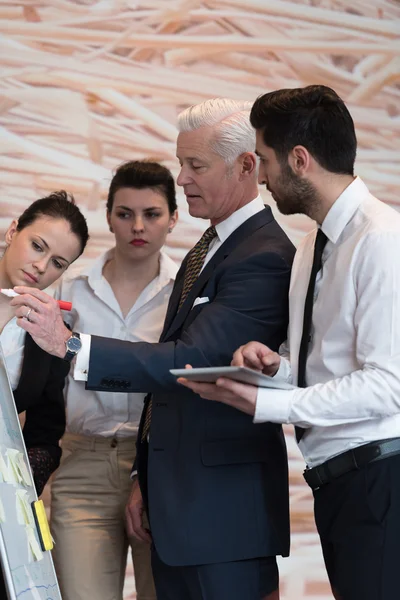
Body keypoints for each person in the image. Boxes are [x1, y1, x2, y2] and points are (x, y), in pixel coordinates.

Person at [11, 98, 295, 600]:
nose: (182, 177)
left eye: (195, 165)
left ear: (246, 165)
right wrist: (146, 469)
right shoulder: (208, 250)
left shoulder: (263, 254)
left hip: (217, 511)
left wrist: (74, 344)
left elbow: (191, 362)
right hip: (166, 490)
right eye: (181, 163)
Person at [178, 85, 400, 600]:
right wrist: (272, 368)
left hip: (382, 478)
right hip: (338, 483)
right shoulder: (308, 248)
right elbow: (324, 368)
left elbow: (389, 384)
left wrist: (270, 403)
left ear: (300, 160)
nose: (260, 175)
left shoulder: (382, 240)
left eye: (266, 160)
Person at [50, 160, 178, 600]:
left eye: (152, 214)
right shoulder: (70, 289)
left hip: (162, 468)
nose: (137, 226)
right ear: (108, 216)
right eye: (125, 214)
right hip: (82, 464)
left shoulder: (187, 292)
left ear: (173, 218)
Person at [0, 191, 88, 596]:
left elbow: (45, 434)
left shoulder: (48, 333)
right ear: (13, 229)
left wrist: (15, 487)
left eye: (58, 263)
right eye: (38, 245)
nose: (41, 266)